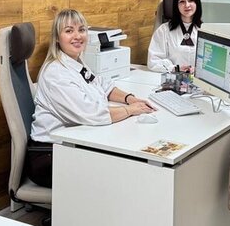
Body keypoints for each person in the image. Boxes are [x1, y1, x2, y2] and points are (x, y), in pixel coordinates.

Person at [27, 9, 154, 187]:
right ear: (57, 38)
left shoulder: (76, 62)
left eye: (82, 30)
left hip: (70, 144)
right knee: (121, 171)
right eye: (69, 31)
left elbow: (102, 84)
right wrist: (130, 111)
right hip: (49, 156)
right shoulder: (56, 73)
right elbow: (91, 113)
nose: (77, 36)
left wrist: (129, 98)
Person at [147, 0, 203, 73]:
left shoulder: (206, 30)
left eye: (191, 0)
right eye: (182, 1)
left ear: (197, 3)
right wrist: (175, 68)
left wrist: (199, 70)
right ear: (176, 5)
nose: (187, 5)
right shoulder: (164, 30)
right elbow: (153, 61)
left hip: (199, 80)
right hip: (173, 78)